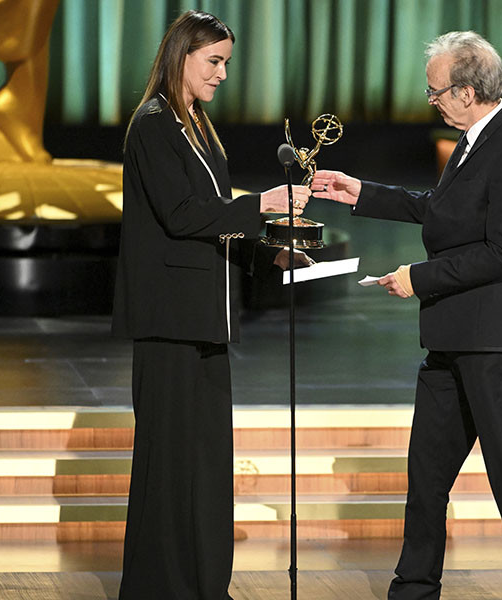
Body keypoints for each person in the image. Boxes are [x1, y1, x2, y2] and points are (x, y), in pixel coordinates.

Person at [312, 31, 502, 600]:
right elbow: (442, 210)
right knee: (426, 476)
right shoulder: (474, 140)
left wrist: (418, 278)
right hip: (450, 337)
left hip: (490, 343)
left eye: (436, 93)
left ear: (468, 91)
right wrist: (360, 193)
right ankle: (413, 587)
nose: (431, 101)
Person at [111, 10, 310, 600]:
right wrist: (266, 203)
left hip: (205, 319)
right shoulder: (153, 126)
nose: (223, 74)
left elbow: (211, 221)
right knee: (169, 468)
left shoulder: (195, 125)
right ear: (182, 57)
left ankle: (202, 585)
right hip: (170, 321)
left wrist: (264, 255)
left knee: (204, 467)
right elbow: (180, 214)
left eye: (226, 63)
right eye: (214, 61)